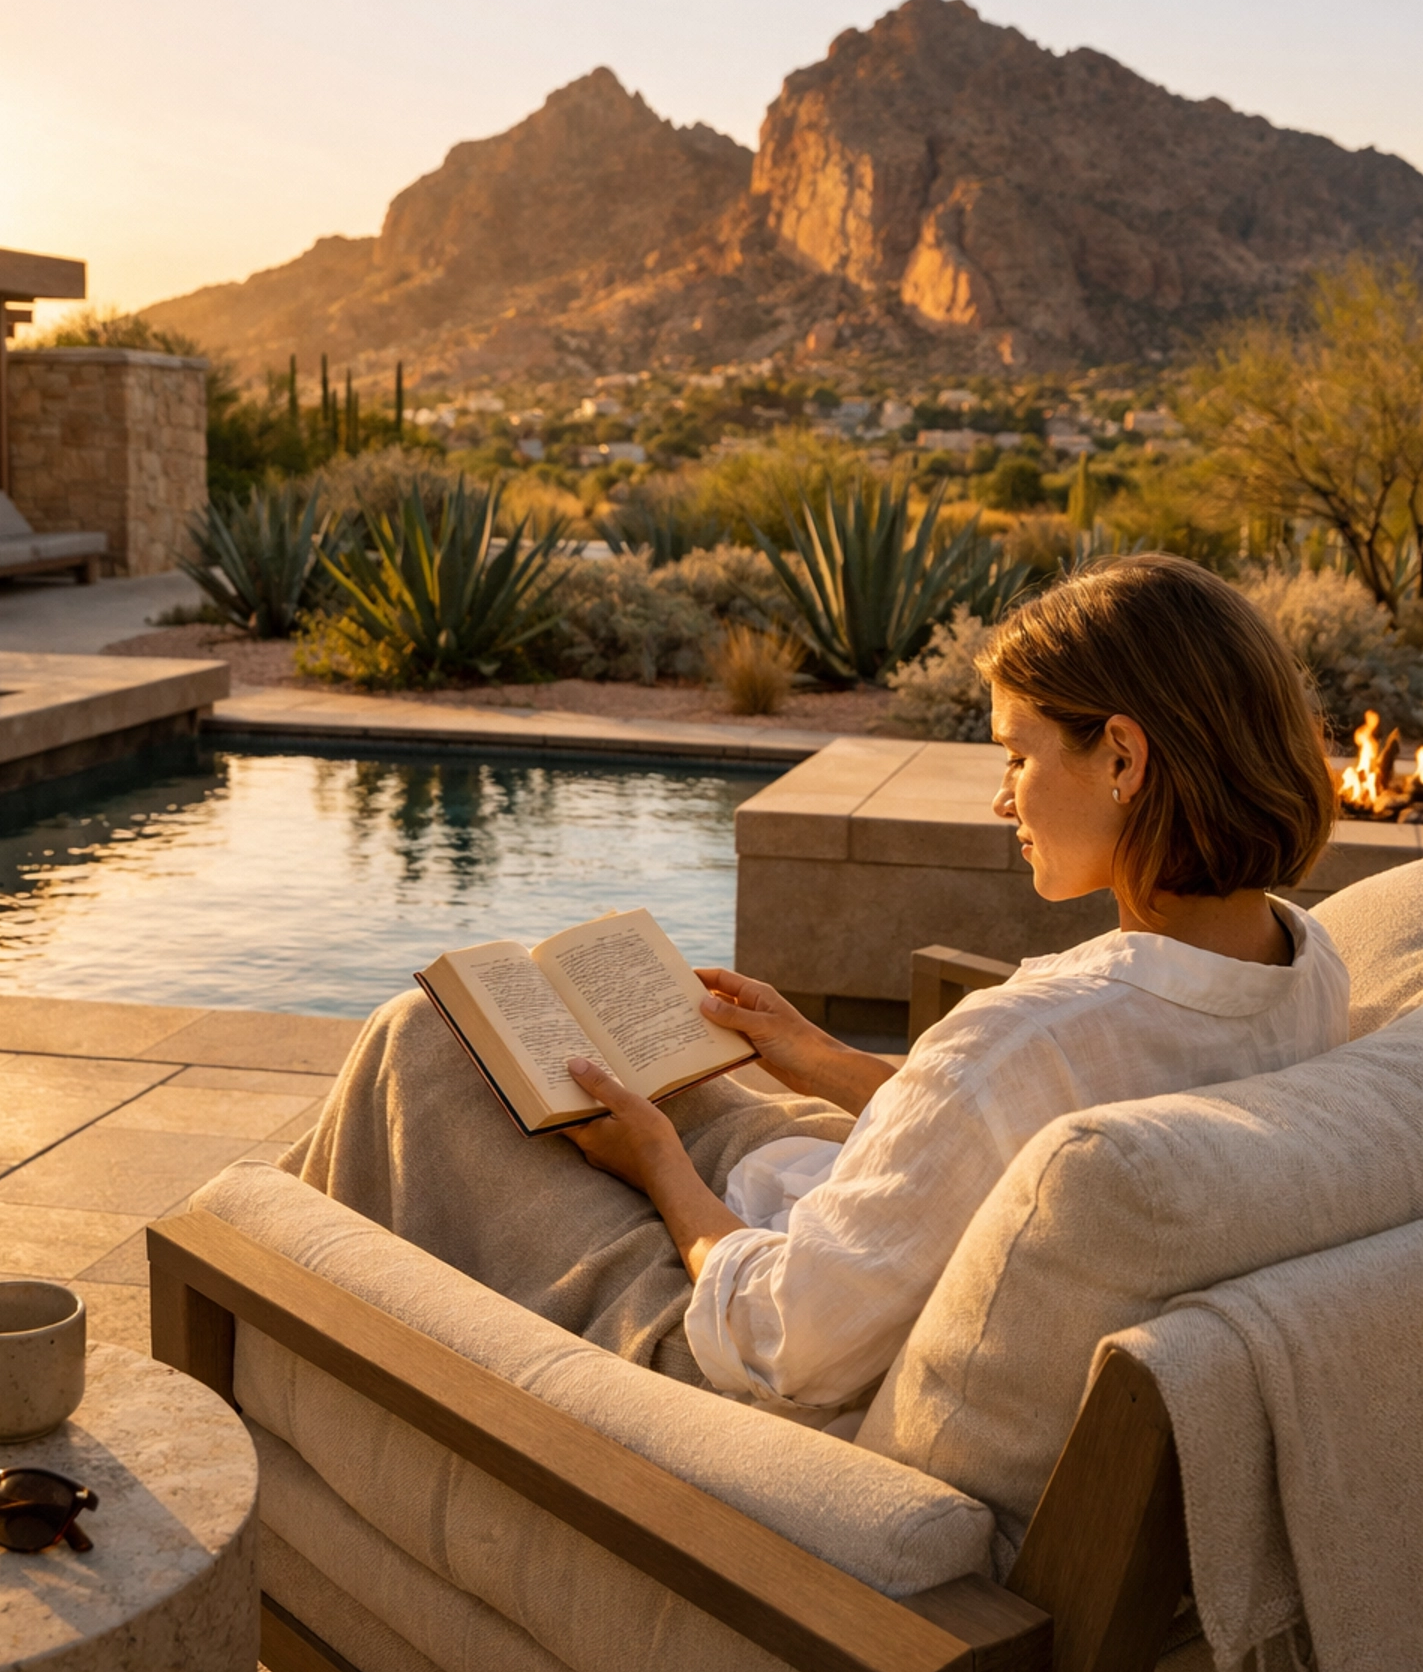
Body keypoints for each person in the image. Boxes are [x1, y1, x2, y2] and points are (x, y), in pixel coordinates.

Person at [288, 554, 1348, 1420]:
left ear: (1122, 758)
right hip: (863, 1237)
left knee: (424, 1042)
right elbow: (1032, 1144)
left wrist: (659, 1166)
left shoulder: (1023, 1040)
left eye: (1016, 757)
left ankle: (269, 1312)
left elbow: (783, 1344)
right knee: (537, 1059)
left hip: (738, 1361)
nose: (1001, 800)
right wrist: (828, 1063)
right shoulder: (1304, 967)